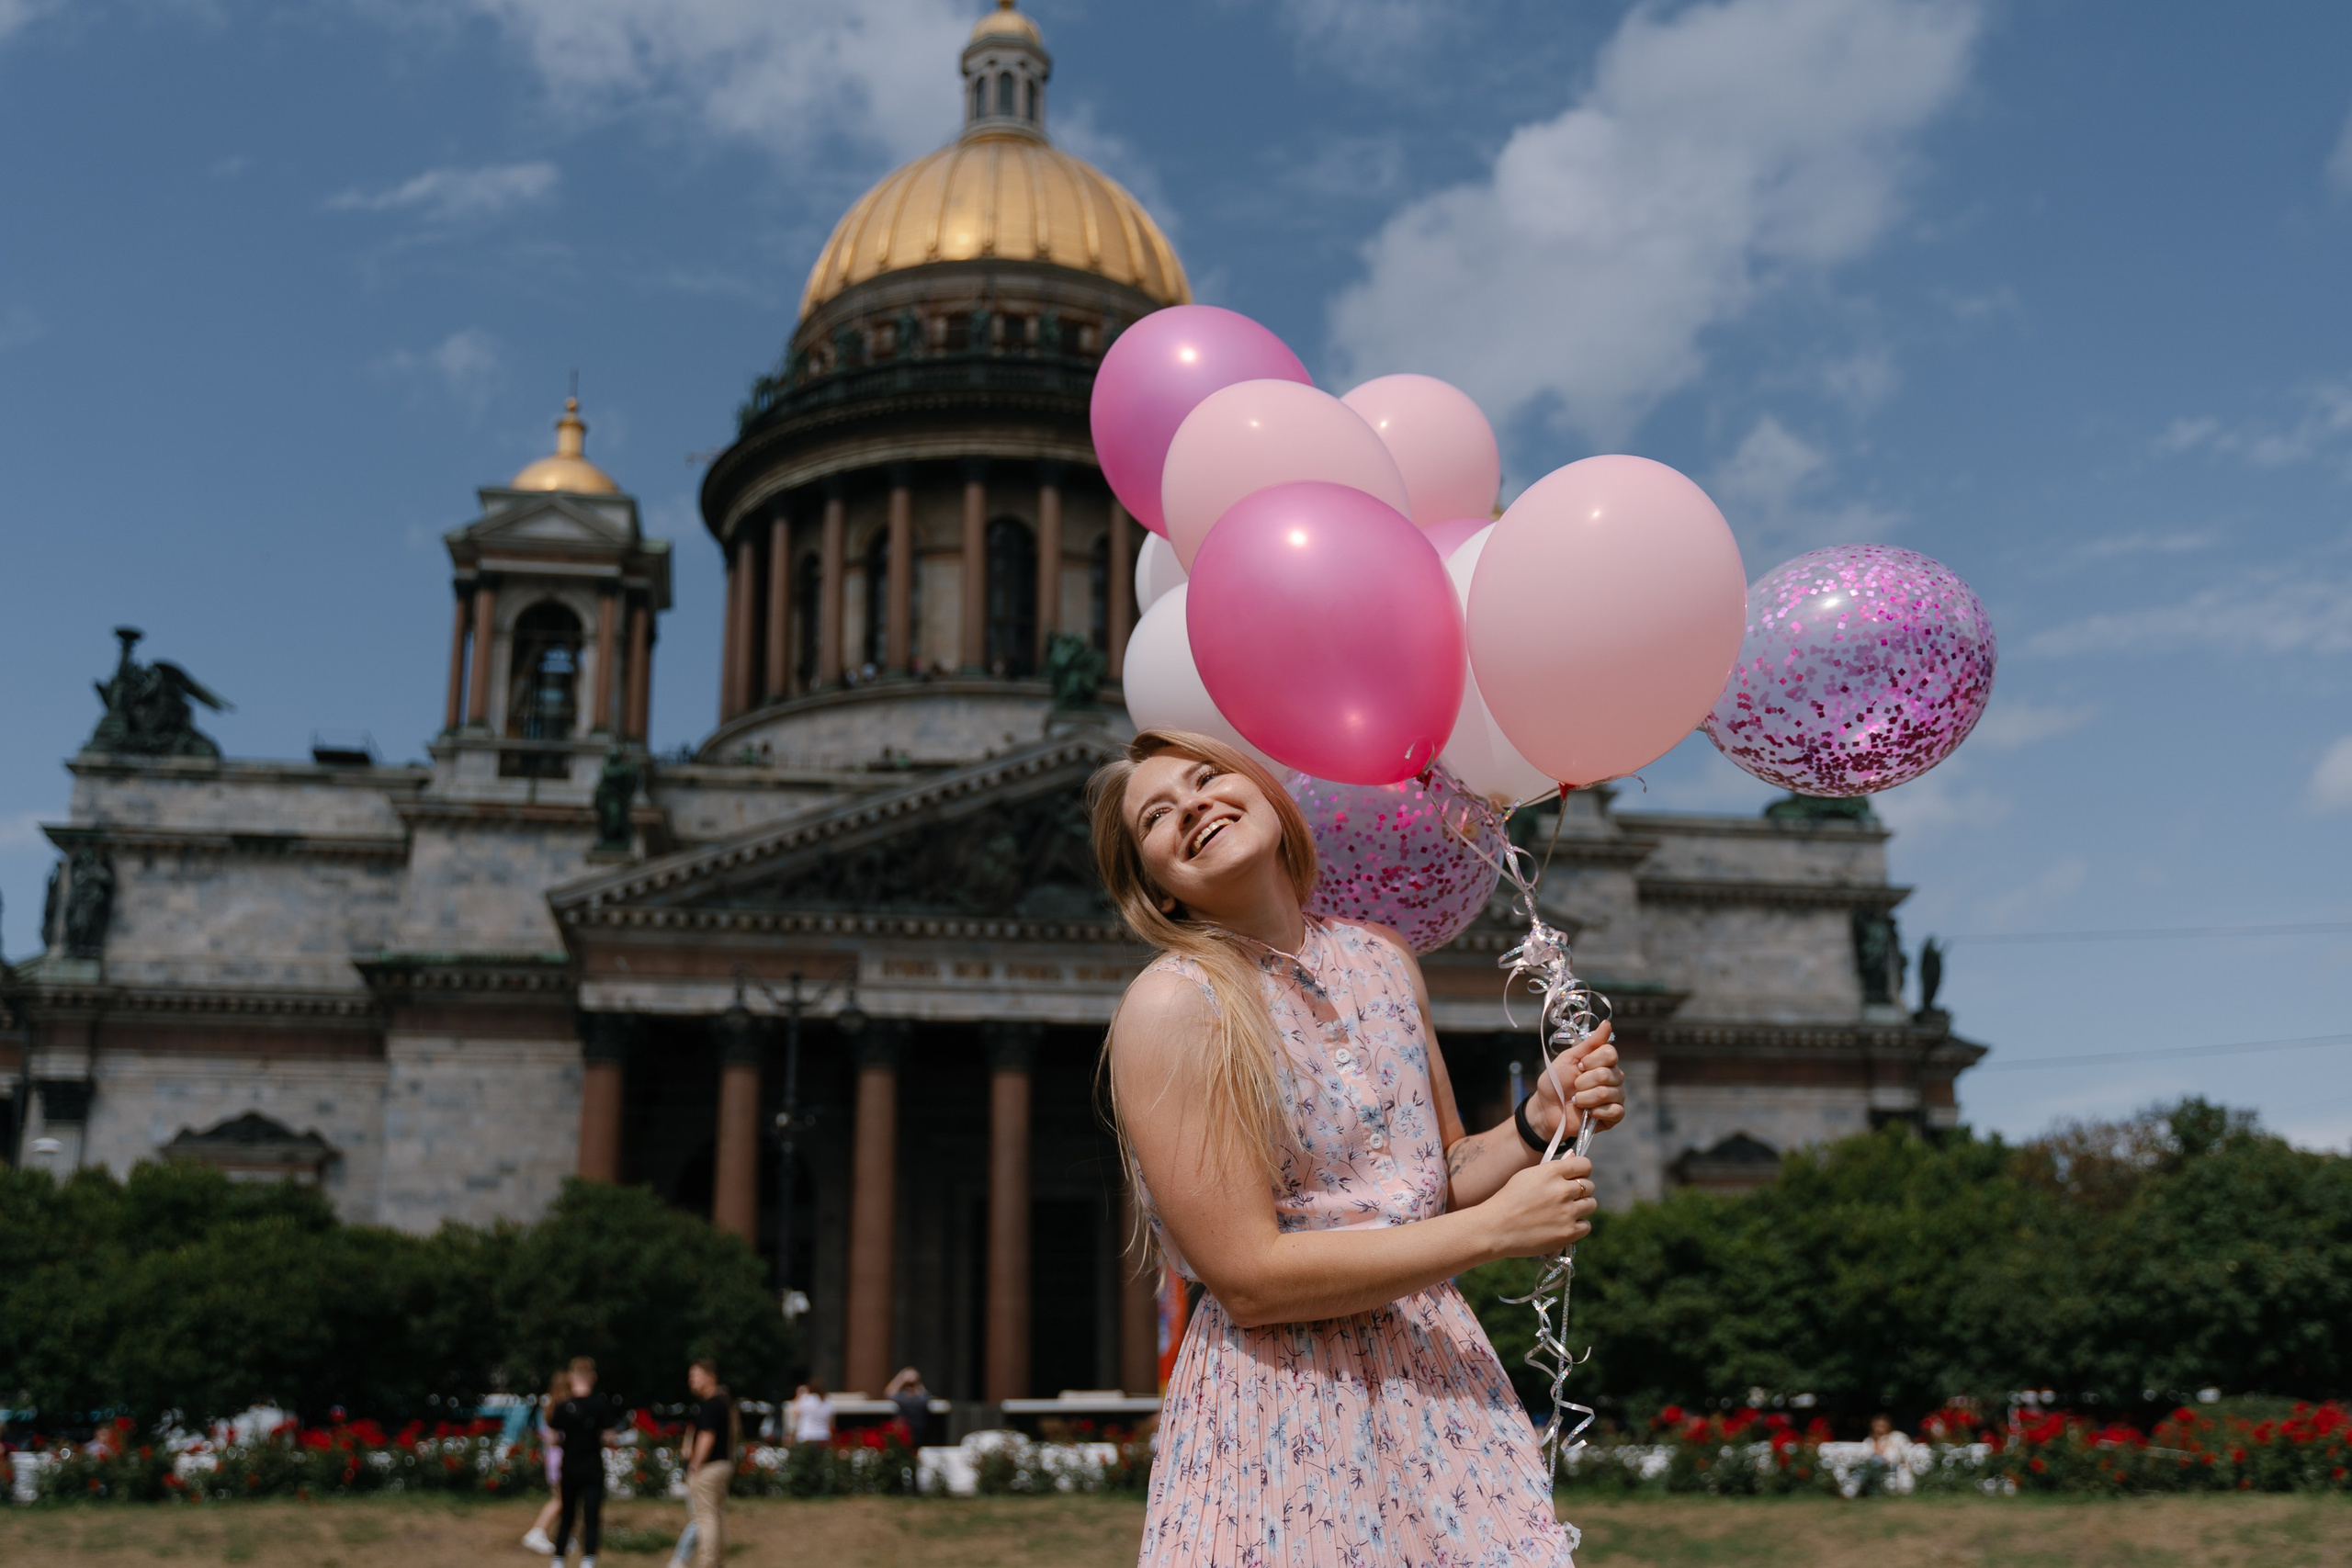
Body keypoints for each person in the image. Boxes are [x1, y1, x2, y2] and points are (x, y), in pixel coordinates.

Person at [1089, 730, 1627, 1566]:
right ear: (1149, 882)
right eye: (1157, 814)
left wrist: (1533, 1121)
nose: (1192, 804)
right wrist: (1494, 1234)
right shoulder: (1172, 1006)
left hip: (1438, 1382)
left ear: (1267, 792)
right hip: (1283, 1401)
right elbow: (1250, 1280)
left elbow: (1434, 1180)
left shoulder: (1382, 958)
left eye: (1208, 777)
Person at [547, 1357, 625, 1567]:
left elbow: (552, 1438)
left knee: (567, 1516)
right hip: (592, 1467)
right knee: (591, 1516)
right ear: (593, 1377)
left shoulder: (563, 1406)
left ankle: (559, 1559)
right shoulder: (601, 1405)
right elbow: (610, 1438)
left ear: (571, 1377)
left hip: (570, 1466)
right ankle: (588, 1559)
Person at [668, 1360, 737, 1568]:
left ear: (710, 1376)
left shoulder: (710, 1405)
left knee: (704, 1518)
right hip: (723, 1464)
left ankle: (708, 1562)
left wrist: (695, 1465)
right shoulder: (724, 1403)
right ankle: (717, 1560)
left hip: (709, 1467)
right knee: (715, 1515)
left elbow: (707, 1437)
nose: (692, 1380)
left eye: (696, 1375)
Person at [520, 1368, 572, 1554]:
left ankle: (564, 1536)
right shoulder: (562, 1406)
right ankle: (537, 1532)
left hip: (552, 1457)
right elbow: (556, 1436)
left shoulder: (549, 1404)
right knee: (561, 1499)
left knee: (565, 1499)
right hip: (561, 1456)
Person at [883, 1366, 931, 1447]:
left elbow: (889, 1392)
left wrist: (901, 1377)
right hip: (918, 1434)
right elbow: (925, 1394)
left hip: (903, 1434)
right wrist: (916, 1380)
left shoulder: (901, 1398)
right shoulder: (921, 1399)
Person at [785, 1379, 834, 1446]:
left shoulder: (806, 1399)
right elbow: (831, 1422)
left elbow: (795, 1412)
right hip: (823, 1436)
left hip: (807, 1436)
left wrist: (799, 1395)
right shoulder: (828, 1402)